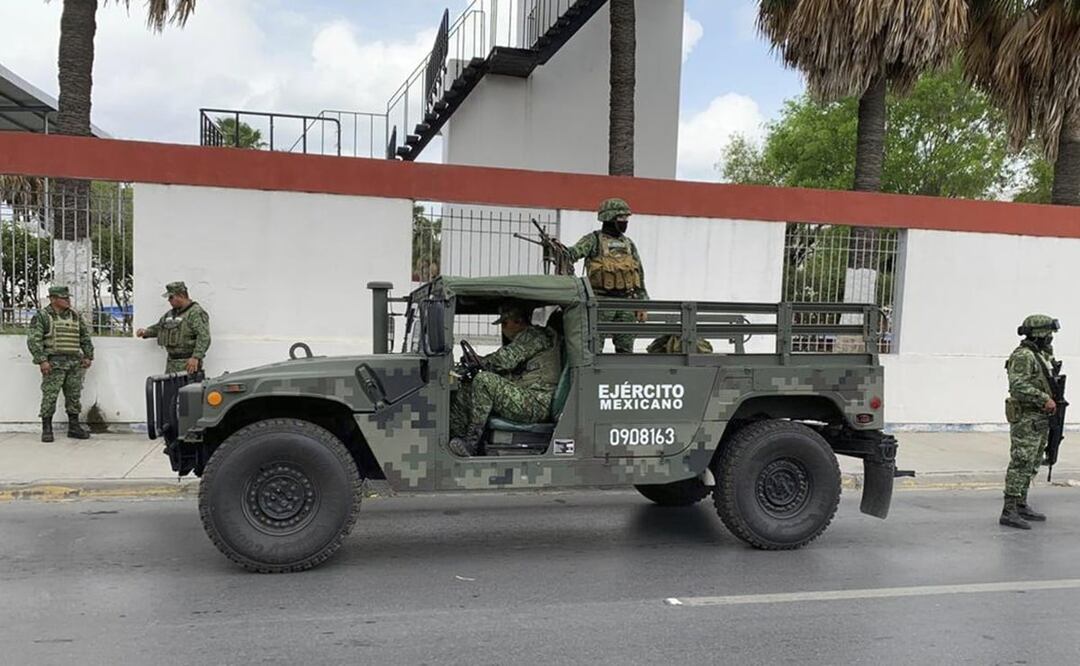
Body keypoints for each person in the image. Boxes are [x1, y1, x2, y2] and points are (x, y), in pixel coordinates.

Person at [448, 303, 561, 456]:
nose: (503, 329)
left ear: (518, 321)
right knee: (467, 386)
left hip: (537, 402)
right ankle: (455, 437)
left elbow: (505, 359)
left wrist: (482, 362)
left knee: (484, 381)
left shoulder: (534, 336)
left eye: (505, 324)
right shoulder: (527, 339)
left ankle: (472, 444)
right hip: (526, 397)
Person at [562, 197, 648, 353]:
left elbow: (639, 275)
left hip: (626, 304)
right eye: (621, 218)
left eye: (626, 218)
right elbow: (573, 253)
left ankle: (623, 377)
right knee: (594, 348)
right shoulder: (593, 240)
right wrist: (559, 250)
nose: (625, 222)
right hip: (600, 303)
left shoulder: (629, 244)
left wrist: (643, 303)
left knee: (626, 350)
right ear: (609, 218)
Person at [1000, 314, 1061, 529]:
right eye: (1048, 334)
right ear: (1038, 334)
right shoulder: (1024, 356)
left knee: (1033, 461)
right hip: (1026, 416)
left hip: (1040, 417)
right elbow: (1018, 386)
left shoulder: (1040, 355)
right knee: (1021, 461)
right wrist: (1044, 399)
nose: (1050, 338)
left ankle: (1021, 503)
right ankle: (1008, 510)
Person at [26, 286, 94, 442]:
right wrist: (42, 360)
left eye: (68, 298)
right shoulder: (43, 316)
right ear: (53, 299)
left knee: (74, 396)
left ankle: (74, 427)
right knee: (50, 396)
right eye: (64, 298)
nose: (68, 300)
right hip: (54, 363)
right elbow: (33, 340)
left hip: (74, 363)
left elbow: (84, 337)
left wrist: (88, 355)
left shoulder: (75, 315)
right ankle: (47, 429)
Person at [137, 281, 211, 374]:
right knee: (169, 388)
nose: (169, 300)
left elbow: (204, 337)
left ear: (181, 296)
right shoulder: (171, 314)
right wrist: (146, 332)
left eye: (171, 297)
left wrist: (196, 357)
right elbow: (160, 327)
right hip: (171, 364)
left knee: (187, 388)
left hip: (188, 364)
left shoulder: (195, 312)